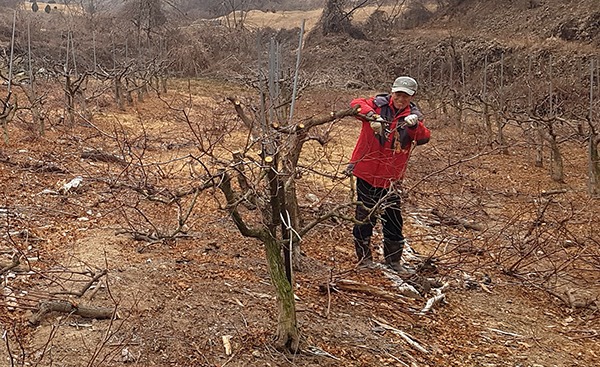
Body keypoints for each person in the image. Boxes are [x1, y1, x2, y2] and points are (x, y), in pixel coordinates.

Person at [347, 76, 430, 276]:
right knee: (364, 215)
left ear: (412, 97)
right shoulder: (375, 105)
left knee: (393, 219)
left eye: (406, 96)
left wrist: (413, 126)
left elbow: (424, 137)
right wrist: (371, 117)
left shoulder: (414, 116)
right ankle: (364, 260)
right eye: (398, 94)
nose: (401, 98)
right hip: (366, 171)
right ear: (392, 91)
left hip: (391, 178)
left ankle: (393, 263)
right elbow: (355, 104)